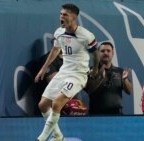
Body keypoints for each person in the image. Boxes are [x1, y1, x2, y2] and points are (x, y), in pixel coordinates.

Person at [34, 3, 99, 141]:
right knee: (43, 104)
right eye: (60, 14)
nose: (61, 17)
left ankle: (42, 138)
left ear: (74, 17)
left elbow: (96, 54)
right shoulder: (59, 32)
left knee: (57, 103)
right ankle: (58, 135)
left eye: (65, 14)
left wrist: (96, 68)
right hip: (63, 72)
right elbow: (56, 50)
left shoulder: (86, 35)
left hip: (78, 75)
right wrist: (43, 68)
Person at [85, 41, 133, 115]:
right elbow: (88, 90)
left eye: (108, 51)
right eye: (102, 51)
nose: (106, 53)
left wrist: (125, 80)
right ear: (98, 53)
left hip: (117, 115)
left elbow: (129, 91)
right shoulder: (91, 71)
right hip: (96, 115)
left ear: (112, 53)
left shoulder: (120, 71)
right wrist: (100, 78)